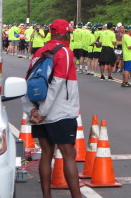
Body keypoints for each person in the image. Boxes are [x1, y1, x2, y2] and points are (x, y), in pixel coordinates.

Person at [23, 19, 81, 198]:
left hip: (39, 109)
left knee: (46, 153)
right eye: (69, 33)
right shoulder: (65, 52)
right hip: (60, 112)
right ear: (64, 33)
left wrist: (32, 110)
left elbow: (28, 80)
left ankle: (46, 196)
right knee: (68, 154)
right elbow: (58, 83)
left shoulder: (40, 51)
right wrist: (44, 111)